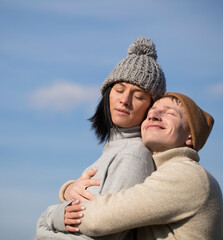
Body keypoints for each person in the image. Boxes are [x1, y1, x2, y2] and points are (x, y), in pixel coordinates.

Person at [36, 37, 166, 239]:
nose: (124, 100)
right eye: (119, 89)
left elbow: (103, 236)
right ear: (107, 93)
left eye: (138, 96)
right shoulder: (114, 149)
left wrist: (45, 221)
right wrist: (67, 192)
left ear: (151, 108)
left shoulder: (134, 154)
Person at [61, 92, 223, 240]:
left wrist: (54, 214)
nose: (153, 115)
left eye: (169, 113)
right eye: (150, 112)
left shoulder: (186, 174)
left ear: (190, 135)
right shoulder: (160, 173)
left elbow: (97, 219)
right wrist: (69, 189)